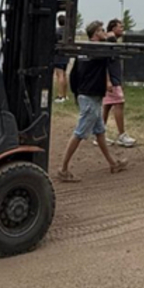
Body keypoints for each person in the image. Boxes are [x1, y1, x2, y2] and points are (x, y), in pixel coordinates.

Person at [57, 21, 128, 182]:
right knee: (80, 133)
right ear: (96, 33)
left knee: (100, 132)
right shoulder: (98, 49)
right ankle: (63, 169)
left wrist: (76, 93)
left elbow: (74, 74)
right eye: (102, 30)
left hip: (88, 96)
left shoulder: (85, 50)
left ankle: (113, 163)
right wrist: (111, 36)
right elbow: (111, 45)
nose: (105, 32)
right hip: (90, 97)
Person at [103, 18, 136, 147]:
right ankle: (121, 135)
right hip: (112, 80)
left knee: (107, 106)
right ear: (113, 28)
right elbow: (105, 62)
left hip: (114, 79)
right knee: (119, 104)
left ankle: (100, 134)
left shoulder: (112, 41)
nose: (122, 29)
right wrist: (108, 81)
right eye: (120, 27)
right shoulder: (110, 40)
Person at [53, 14, 69, 103]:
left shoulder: (57, 31)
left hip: (58, 55)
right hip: (66, 55)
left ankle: (60, 96)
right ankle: (65, 95)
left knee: (59, 75)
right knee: (64, 74)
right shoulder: (68, 32)